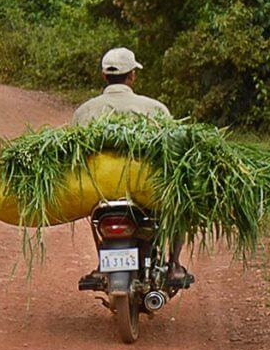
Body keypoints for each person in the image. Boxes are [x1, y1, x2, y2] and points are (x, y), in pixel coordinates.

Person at [73, 47, 190, 286]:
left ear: (104, 76)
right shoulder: (154, 108)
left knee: (95, 219)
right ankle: (174, 265)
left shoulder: (85, 111)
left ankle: (101, 265)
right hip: (146, 190)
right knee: (181, 199)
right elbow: (173, 151)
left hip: (101, 191)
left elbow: (74, 152)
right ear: (132, 76)